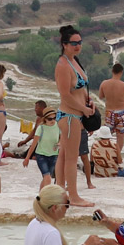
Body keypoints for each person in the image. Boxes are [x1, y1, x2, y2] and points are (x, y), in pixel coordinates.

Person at [55, 26, 97, 207]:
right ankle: (73, 196)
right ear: (65, 44)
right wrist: (83, 109)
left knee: (64, 156)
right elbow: (65, 94)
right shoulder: (63, 65)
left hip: (76, 115)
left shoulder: (74, 61)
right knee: (71, 159)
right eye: (74, 43)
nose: (78, 46)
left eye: (79, 42)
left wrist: (89, 101)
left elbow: (78, 88)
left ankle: (59, 191)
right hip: (70, 116)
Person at [99, 63, 124, 170]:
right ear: (121, 72)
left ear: (112, 71)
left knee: (106, 136)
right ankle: (117, 158)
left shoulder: (104, 83)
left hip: (109, 111)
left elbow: (100, 96)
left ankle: (105, 155)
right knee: (120, 137)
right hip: (121, 112)